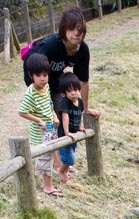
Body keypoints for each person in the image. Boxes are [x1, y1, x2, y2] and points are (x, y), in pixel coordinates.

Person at [22, 6, 99, 172]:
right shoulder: (50, 46)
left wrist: (85, 108)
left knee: (65, 114)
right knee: (50, 118)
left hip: (55, 81)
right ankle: (56, 163)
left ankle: (64, 161)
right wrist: (40, 95)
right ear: (64, 29)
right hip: (37, 79)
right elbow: (33, 67)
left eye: (79, 30)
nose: (76, 33)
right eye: (71, 28)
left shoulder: (82, 50)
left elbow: (83, 82)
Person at [18, 53, 61, 197]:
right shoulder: (31, 93)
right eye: (38, 75)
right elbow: (22, 112)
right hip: (40, 133)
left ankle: (49, 183)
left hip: (50, 129)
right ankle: (47, 187)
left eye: (45, 74)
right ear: (31, 75)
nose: (42, 78)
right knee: (44, 158)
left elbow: (49, 103)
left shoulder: (46, 87)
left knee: (51, 154)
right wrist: (38, 120)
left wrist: (54, 115)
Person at [57, 72, 86, 183]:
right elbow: (65, 117)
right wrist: (67, 131)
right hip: (65, 135)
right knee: (69, 158)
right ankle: (62, 171)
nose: (73, 93)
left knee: (72, 151)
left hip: (74, 134)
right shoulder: (65, 102)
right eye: (69, 91)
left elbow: (79, 115)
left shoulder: (80, 102)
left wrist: (80, 127)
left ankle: (67, 168)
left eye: (76, 90)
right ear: (64, 92)